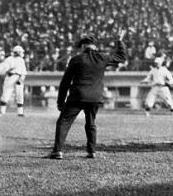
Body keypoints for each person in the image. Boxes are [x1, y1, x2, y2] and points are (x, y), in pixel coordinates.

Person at [48, 30, 128, 160]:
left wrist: (60, 102)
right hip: (95, 97)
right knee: (91, 123)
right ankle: (91, 151)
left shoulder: (76, 59)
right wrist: (119, 40)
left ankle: (57, 151)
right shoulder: (103, 57)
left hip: (77, 96)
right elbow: (121, 57)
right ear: (95, 46)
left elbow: (65, 82)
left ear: (82, 47)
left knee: (63, 122)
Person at [0, 45, 28, 116]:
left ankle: (20, 113)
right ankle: (2, 111)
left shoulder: (21, 60)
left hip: (18, 77)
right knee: (6, 94)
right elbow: (5, 70)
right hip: (10, 77)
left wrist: (21, 79)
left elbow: (23, 72)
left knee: (19, 95)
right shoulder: (9, 59)